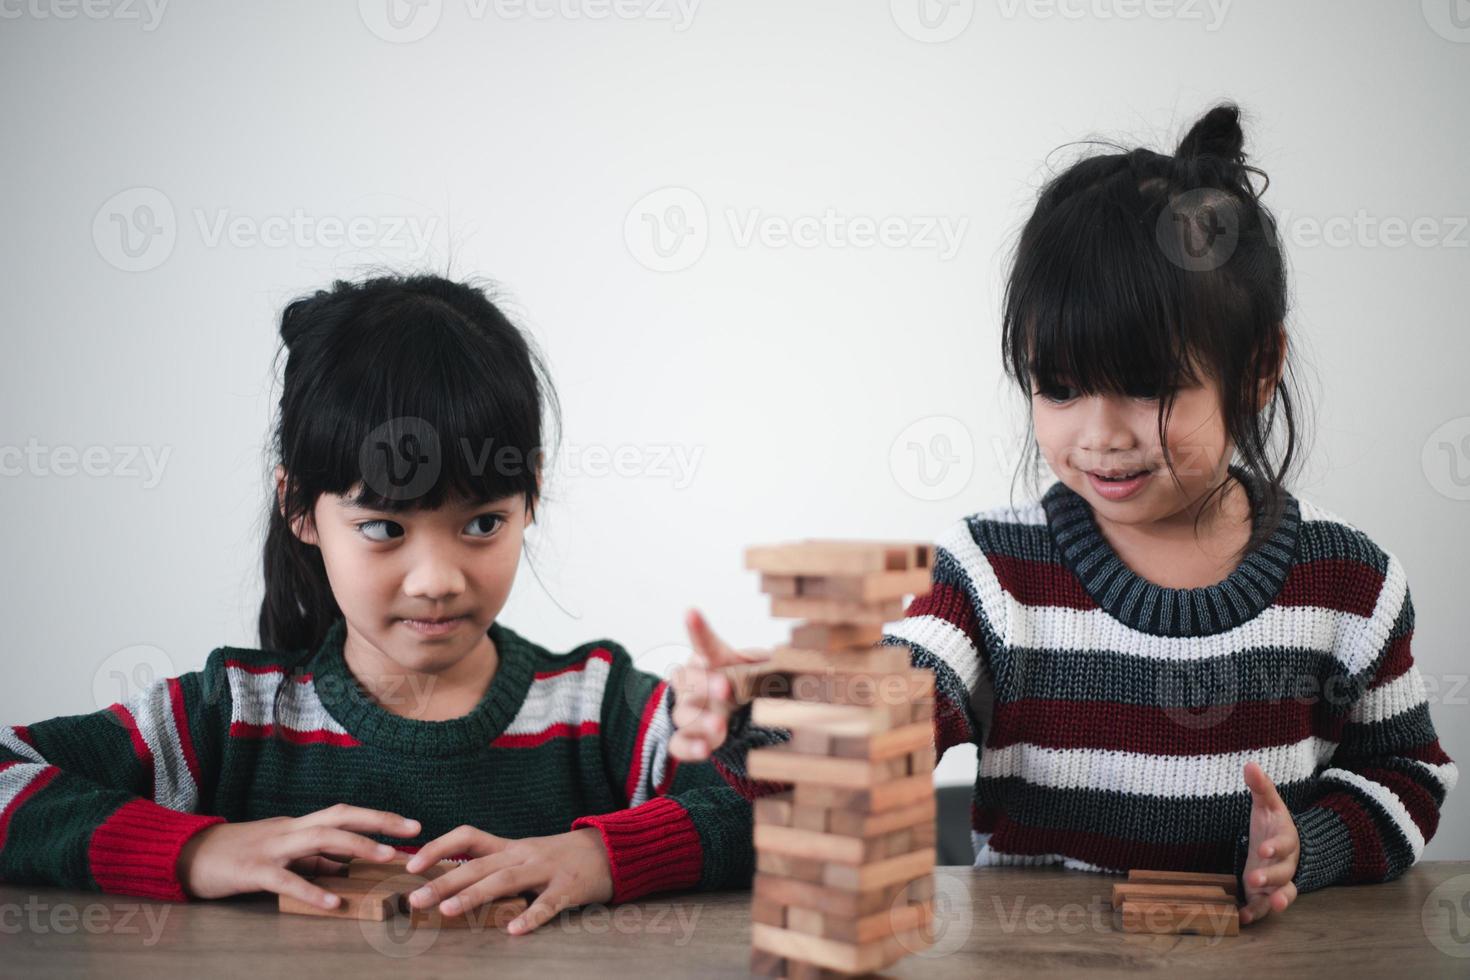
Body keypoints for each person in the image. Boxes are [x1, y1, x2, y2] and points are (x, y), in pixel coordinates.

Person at [669, 104, 1458, 927]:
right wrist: (769, 706)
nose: (1100, 436)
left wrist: (1310, 845)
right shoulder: (992, 573)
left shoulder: (1349, 587)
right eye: (1061, 387)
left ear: (1257, 369)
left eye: (1148, 387)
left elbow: (1406, 776)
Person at [0, 273, 752, 935]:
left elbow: (803, 807)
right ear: (298, 506)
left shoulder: (598, 711)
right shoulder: (232, 719)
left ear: (533, 495)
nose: (436, 579)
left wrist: (603, 855)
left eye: (482, 523)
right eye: (384, 529)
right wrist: (196, 848)